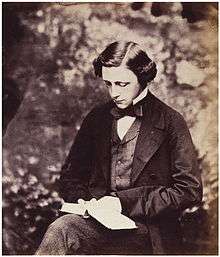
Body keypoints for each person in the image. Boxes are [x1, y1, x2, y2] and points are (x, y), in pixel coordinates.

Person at [36, 41, 202, 255]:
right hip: (99, 224)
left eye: (122, 84)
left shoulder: (170, 121)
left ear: (143, 79)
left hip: (148, 231)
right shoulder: (97, 118)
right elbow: (71, 175)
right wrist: (85, 203)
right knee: (62, 229)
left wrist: (122, 203)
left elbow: (188, 191)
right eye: (108, 84)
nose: (114, 92)